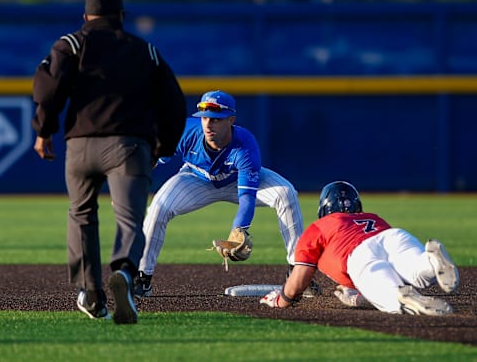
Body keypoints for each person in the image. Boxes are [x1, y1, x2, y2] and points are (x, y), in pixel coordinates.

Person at [31, 0, 187, 324]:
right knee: (130, 218)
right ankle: (125, 274)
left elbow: (48, 89)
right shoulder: (145, 50)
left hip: (81, 144)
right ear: (121, 17)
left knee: (81, 214)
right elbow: (174, 103)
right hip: (129, 146)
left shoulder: (72, 44)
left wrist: (44, 130)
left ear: (86, 17)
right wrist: (165, 145)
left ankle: (89, 289)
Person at [135, 90, 309, 297]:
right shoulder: (185, 132)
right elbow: (151, 160)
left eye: (216, 119)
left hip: (236, 181)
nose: (208, 124)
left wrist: (239, 228)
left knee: (286, 193)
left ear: (231, 120)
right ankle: (142, 278)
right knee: (158, 207)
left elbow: (247, 197)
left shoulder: (245, 145)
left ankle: (297, 272)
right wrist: (132, 188)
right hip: (196, 179)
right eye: (205, 118)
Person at [260, 181, 459, 315]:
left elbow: (299, 276)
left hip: (357, 255)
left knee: (391, 294)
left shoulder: (319, 227)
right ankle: (430, 261)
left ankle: (401, 298)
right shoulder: (373, 217)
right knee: (415, 271)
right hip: (392, 236)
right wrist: (355, 297)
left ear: (325, 208)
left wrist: (281, 299)